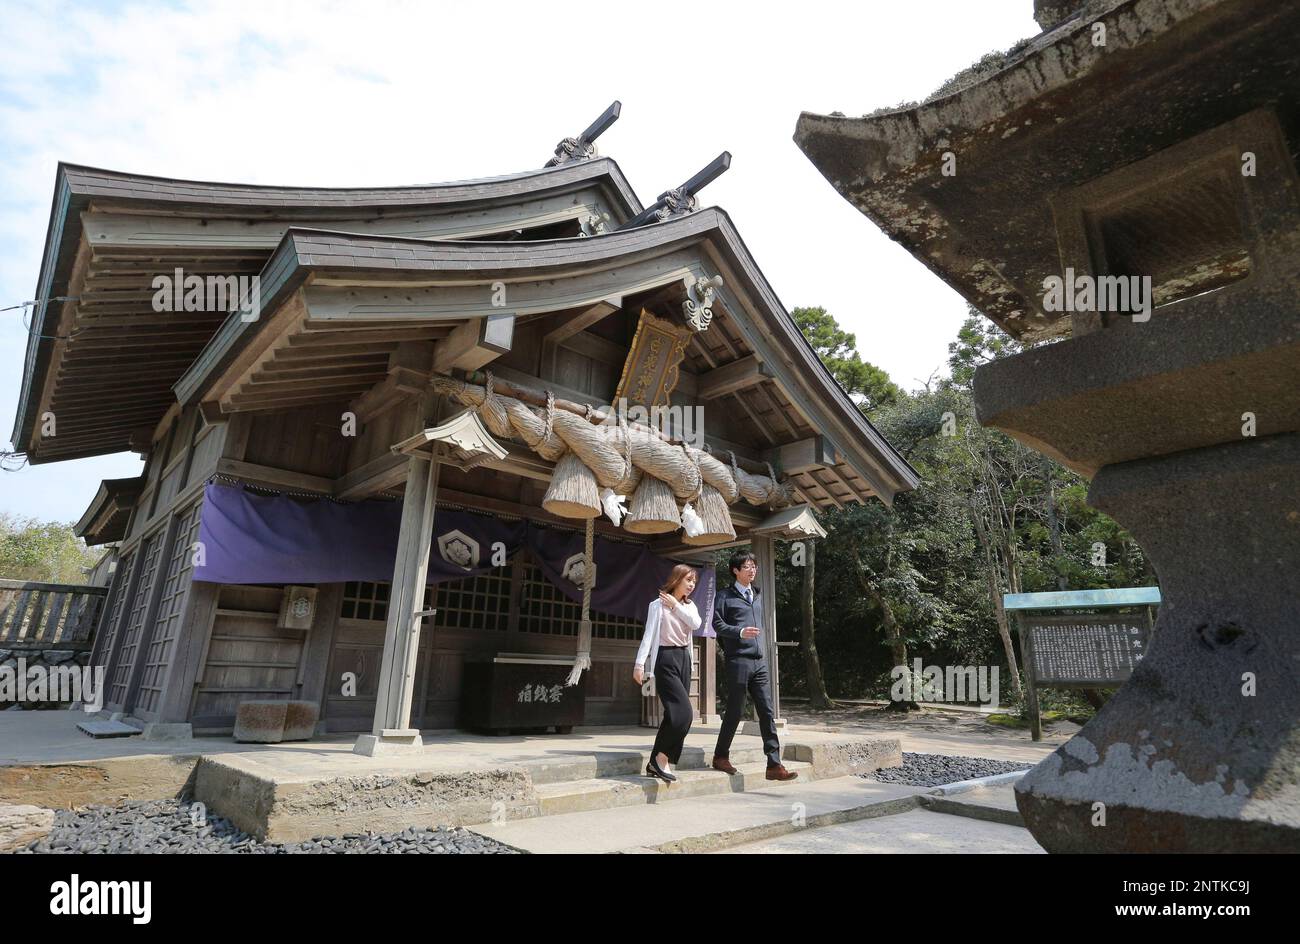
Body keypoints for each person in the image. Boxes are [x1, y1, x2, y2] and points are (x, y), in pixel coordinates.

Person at [710, 551, 797, 781]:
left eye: (754, 566)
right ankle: (720, 756)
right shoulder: (724, 596)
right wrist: (739, 632)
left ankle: (774, 764)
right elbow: (717, 624)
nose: (752, 570)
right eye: (747, 566)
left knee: (767, 711)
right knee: (736, 711)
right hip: (738, 660)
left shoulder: (757, 595)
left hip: (760, 661)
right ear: (735, 570)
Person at [633, 563, 701, 783]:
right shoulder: (657, 605)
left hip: (683, 659)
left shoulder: (689, 606)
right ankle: (662, 758)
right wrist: (639, 664)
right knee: (684, 713)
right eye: (688, 580)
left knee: (673, 716)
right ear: (677, 579)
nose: (691, 585)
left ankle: (656, 763)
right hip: (665, 659)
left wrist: (676, 607)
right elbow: (648, 635)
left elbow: (696, 624)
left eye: (694, 582)